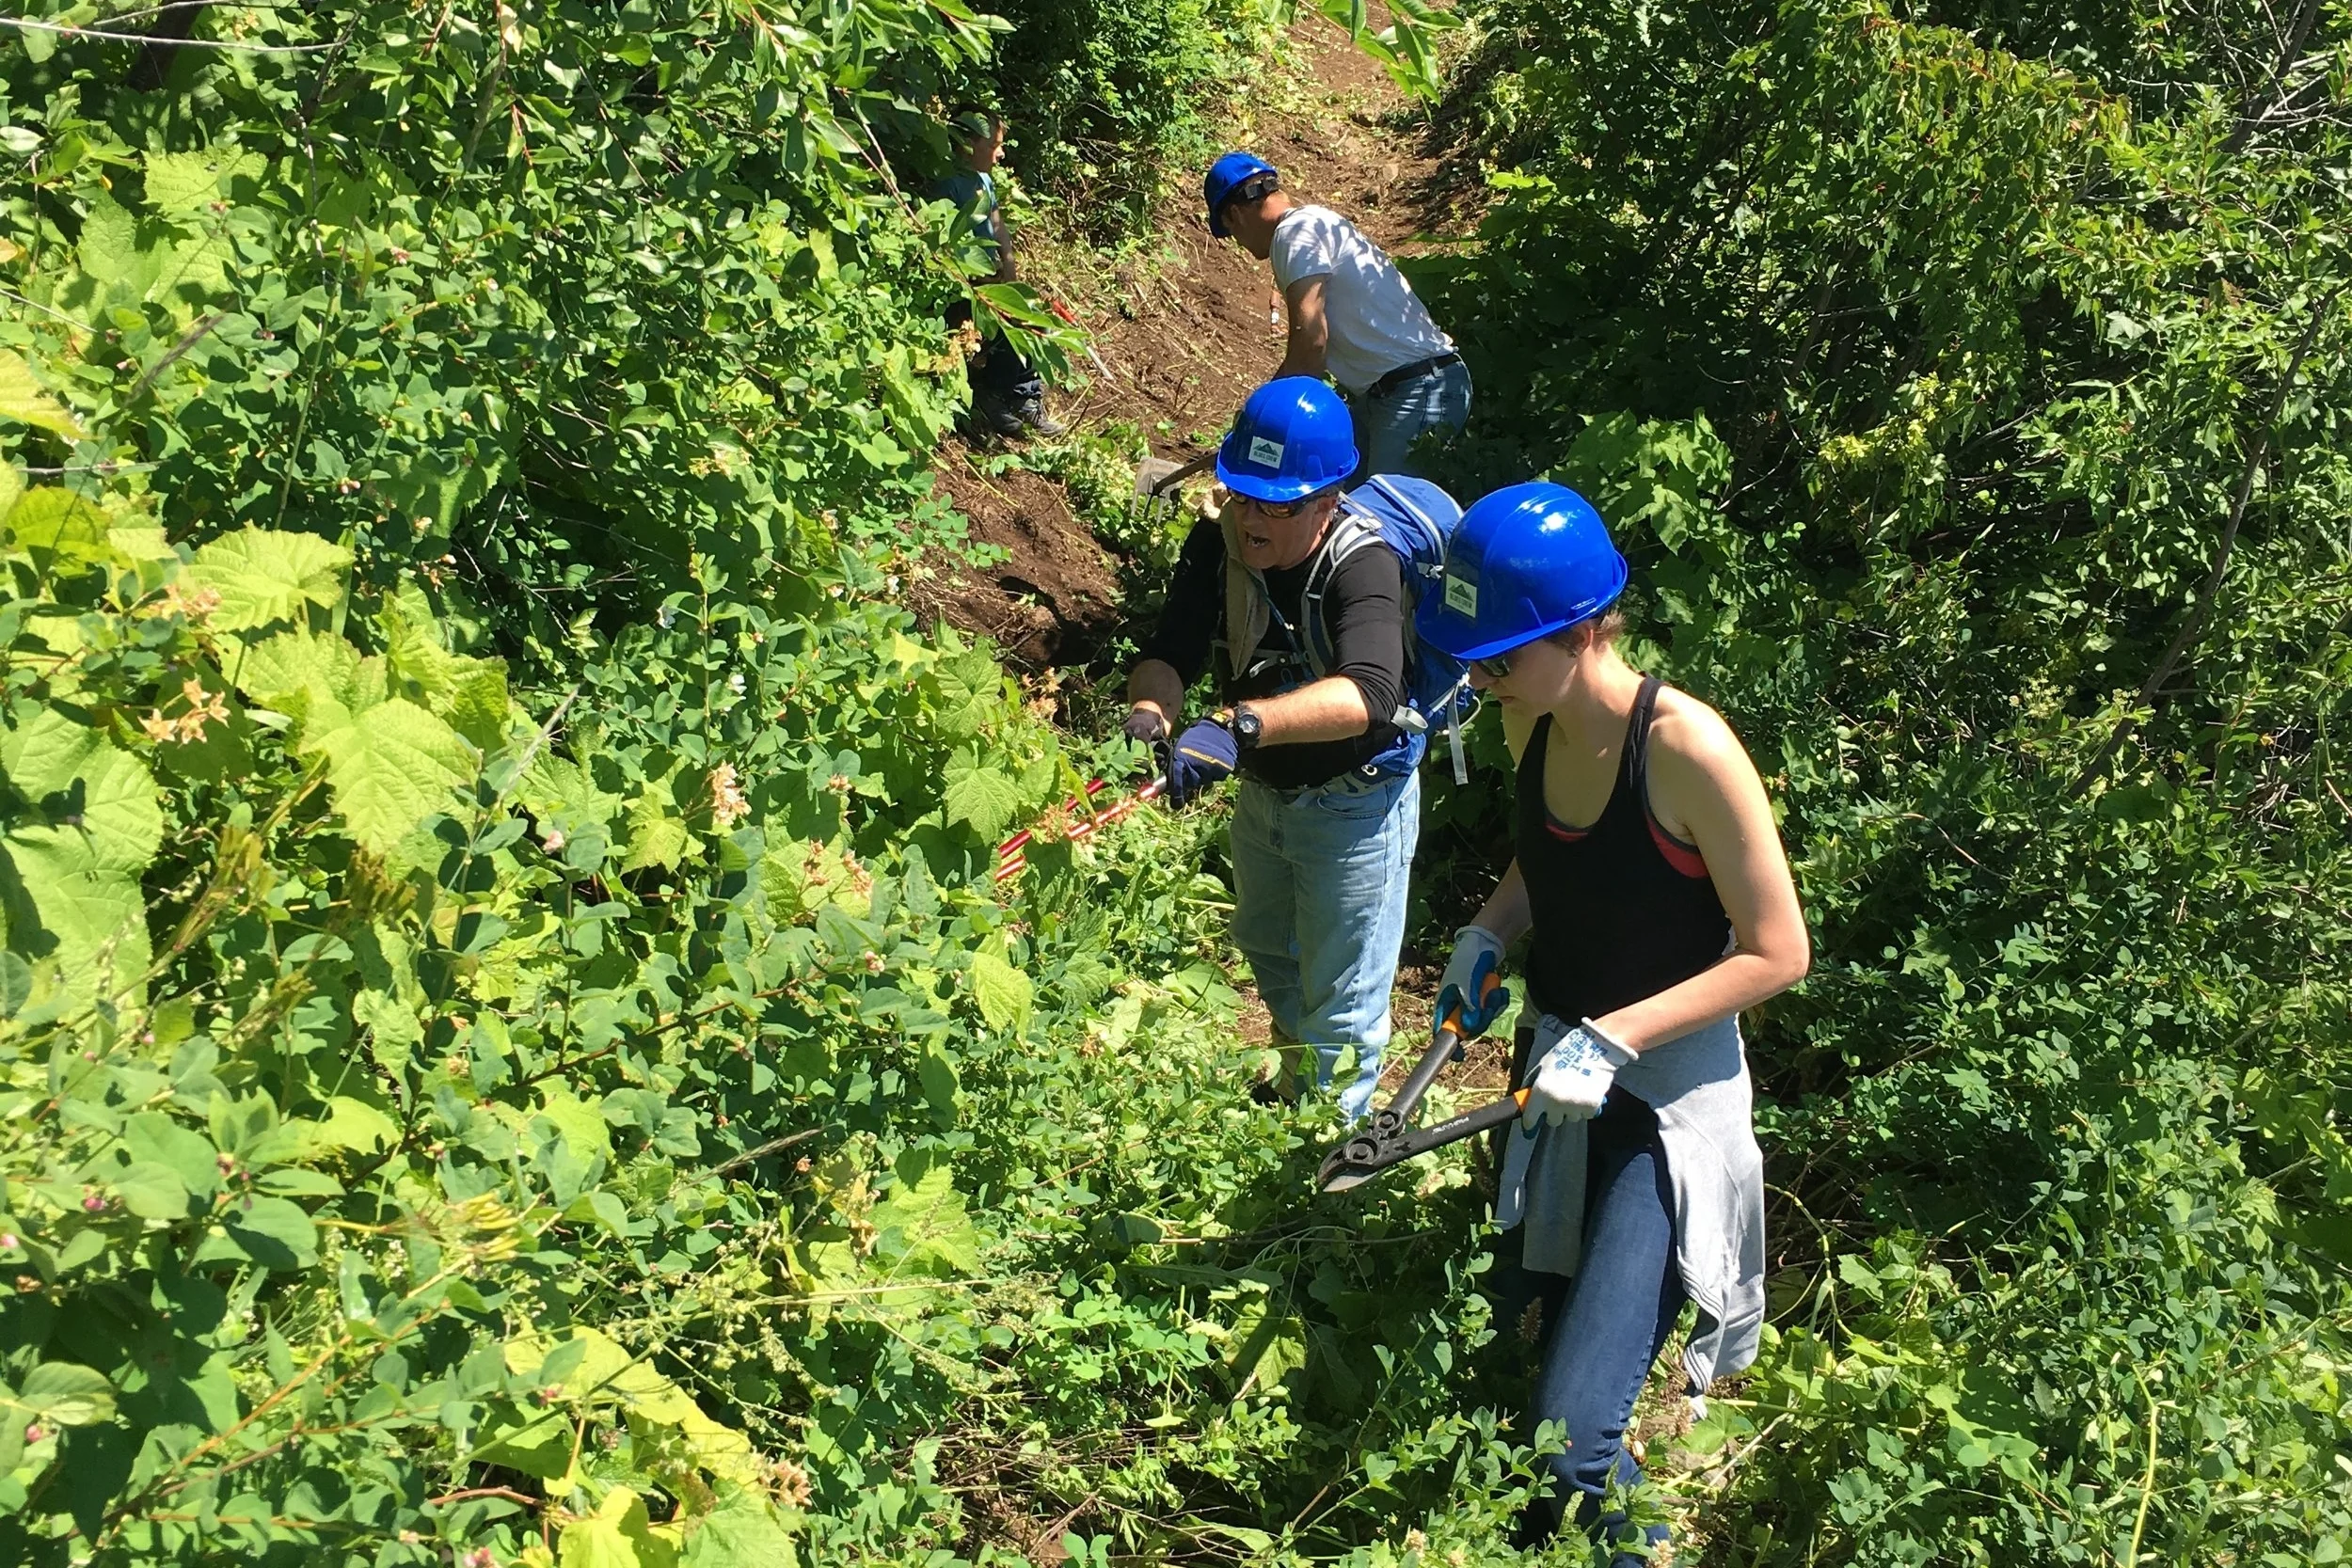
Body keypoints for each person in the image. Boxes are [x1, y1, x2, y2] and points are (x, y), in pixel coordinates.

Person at [1415, 483, 1809, 1561]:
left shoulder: (1685, 749)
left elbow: (1779, 949)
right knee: (1490, 1355)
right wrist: (1488, 933)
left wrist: (1617, 1032)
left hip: (1661, 1107)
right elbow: (1549, 861)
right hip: (1560, 1080)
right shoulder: (1526, 717)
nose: (1480, 677)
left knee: (1572, 1442)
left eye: (1497, 656)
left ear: (1581, 631)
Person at [1122, 377, 1444, 1121]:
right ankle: (1296, 1101)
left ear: (1328, 501)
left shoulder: (1364, 564)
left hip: (1354, 803)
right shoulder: (1219, 539)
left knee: (1343, 998)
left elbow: (1370, 692)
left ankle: (1324, 1164)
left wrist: (1238, 726)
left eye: (1280, 503)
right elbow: (1170, 646)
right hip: (1265, 794)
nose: (1255, 516)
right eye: (1242, 492)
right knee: (1271, 953)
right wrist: (1151, 711)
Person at [1203, 150, 1470, 483]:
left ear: (1234, 216)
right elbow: (1306, 349)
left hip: (1416, 389)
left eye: (1231, 236)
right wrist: (1262, 408)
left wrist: (1271, 417)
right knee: (1333, 493)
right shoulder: (1314, 224)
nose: (1240, 245)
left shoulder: (1295, 233)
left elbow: (1311, 341)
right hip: (1390, 393)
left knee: (1385, 519)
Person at [933, 110, 1061, 438]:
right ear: (968, 143)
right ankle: (989, 396)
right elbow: (945, 248)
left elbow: (999, 227)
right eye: (995, 145)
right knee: (996, 328)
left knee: (1032, 316)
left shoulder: (985, 180)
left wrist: (1010, 274)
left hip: (991, 280)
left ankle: (1023, 396)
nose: (1001, 153)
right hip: (967, 287)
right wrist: (980, 283)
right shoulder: (948, 186)